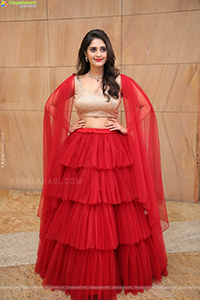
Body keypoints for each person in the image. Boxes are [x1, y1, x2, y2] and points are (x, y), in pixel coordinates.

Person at [35, 29, 169, 300]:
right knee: (83, 206)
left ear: (108, 52)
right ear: (85, 53)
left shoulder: (120, 81)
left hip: (112, 150)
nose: (98, 54)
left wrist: (125, 128)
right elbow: (51, 106)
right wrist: (69, 126)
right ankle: (82, 270)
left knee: (116, 208)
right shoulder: (75, 81)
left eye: (102, 49)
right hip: (82, 149)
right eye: (93, 49)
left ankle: (116, 270)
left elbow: (145, 107)